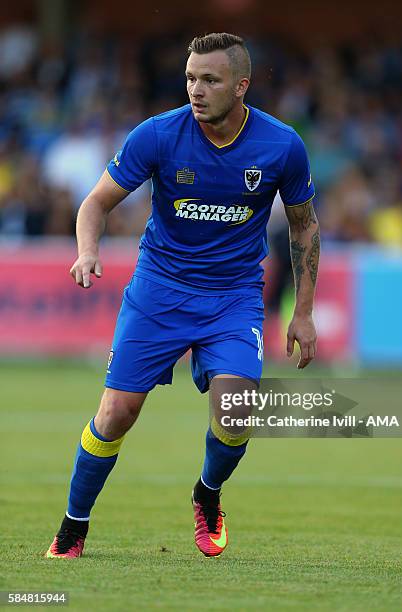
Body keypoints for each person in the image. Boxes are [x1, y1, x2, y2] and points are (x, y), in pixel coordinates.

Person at [46, 32, 319, 559]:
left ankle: (207, 495)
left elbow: (305, 228)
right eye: (191, 78)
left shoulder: (282, 144)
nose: (196, 89)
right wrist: (86, 251)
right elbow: (95, 203)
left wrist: (301, 312)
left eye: (210, 80)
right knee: (117, 412)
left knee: (236, 411)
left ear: (240, 86)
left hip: (233, 297)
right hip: (159, 291)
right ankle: (73, 527)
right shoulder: (157, 135)